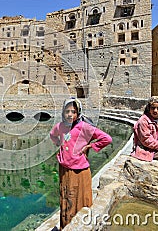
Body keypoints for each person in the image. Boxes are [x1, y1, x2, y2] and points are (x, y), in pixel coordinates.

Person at [50, 98, 112, 229]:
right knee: (66, 197)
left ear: (78, 113)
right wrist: (59, 144)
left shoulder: (84, 127)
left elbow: (107, 138)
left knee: (79, 198)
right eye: (67, 111)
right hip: (64, 169)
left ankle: (82, 225)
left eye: (73, 111)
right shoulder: (60, 126)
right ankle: (66, 226)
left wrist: (90, 146)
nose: (70, 115)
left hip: (79, 170)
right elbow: (53, 135)